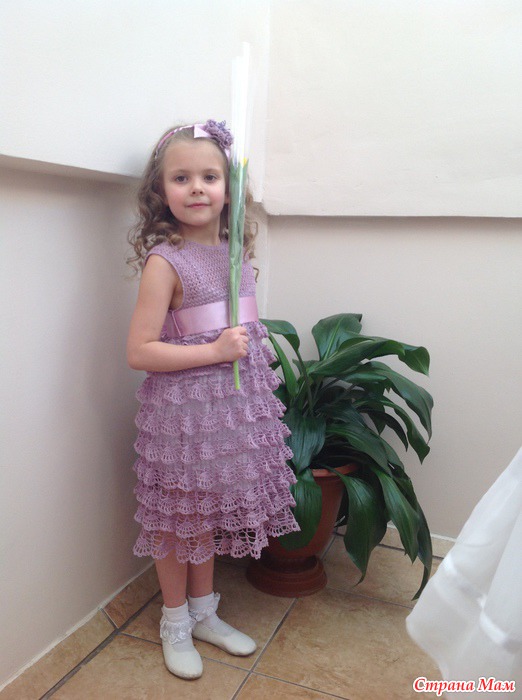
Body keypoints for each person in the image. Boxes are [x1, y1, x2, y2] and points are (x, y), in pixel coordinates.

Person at [126, 120, 299, 680]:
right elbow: (139, 351)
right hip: (181, 418)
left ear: (230, 188)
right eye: (181, 178)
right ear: (161, 191)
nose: (197, 188)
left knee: (203, 513)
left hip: (226, 415)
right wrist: (215, 351)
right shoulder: (166, 261)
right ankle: (174, 621)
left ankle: (204, 613)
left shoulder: (235, 254)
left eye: (209, 176)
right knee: (175, 518)